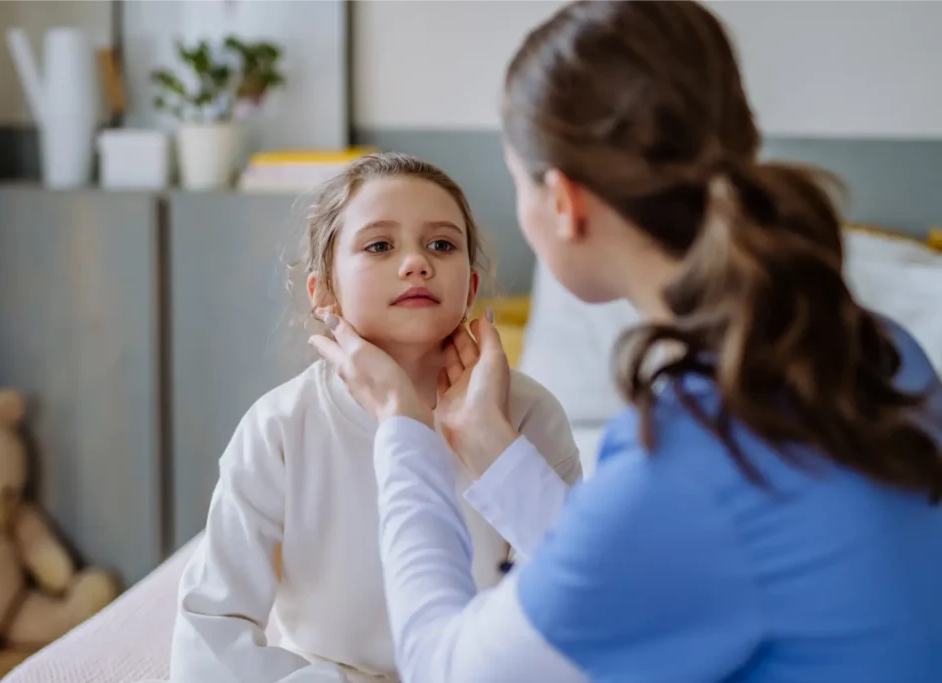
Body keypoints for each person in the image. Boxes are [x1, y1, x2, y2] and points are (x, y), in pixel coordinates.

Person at [310, 0, 942, 681]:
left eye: (517, 182)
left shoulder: (693, 455)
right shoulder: (879, 349)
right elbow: (646, 569)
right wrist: (491, 446)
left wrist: (403, 431)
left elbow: (445, 666)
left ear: (564, 201)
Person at [165, 152, 582, 683]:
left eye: (442, 244)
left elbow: (575, 608)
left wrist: (492, 445)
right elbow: (207, 641)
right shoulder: (280, 428)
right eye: (380, 245)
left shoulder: (529, 414)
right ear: (324, 292)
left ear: (471, 289)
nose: (416, 263)